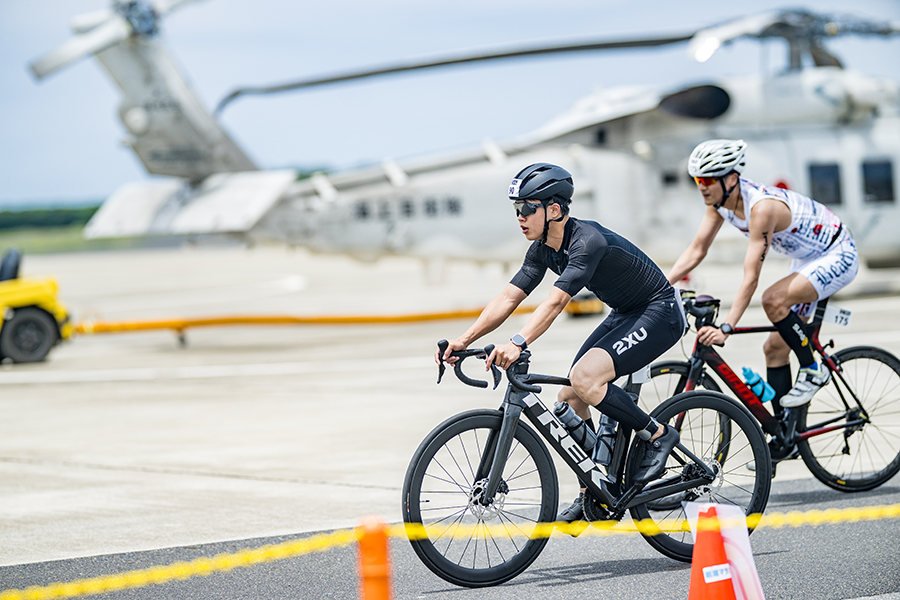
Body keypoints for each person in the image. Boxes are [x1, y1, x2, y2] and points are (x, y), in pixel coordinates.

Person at [436, 163, 687, 524]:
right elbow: (509, 298)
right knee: (569, 395)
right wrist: (463, 340)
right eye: (516, 209)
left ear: (554, 210)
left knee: (586, 379)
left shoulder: (588, 242)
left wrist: (517, 342)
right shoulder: (542, 249)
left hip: (658, 311)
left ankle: (657, 435)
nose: (519, 217)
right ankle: (597, 488)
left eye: (526, 208)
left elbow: (555, 302)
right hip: (626, 312)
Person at [667, 139, 859, 412]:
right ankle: (782, 436)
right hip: (807, 259)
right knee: (774, 349)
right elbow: (697, 250)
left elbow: (751, 276)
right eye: (697, 179)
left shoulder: (762, 208)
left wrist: (727, 327)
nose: (701, 186)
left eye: (708, 180)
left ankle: (813, 369)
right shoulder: (720, 203)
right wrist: (662, 287)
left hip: (837, 253)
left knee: (773, 300)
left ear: (731, 178)